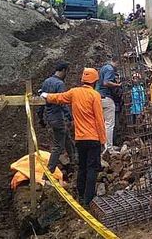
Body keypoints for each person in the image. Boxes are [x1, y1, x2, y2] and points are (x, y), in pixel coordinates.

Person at [40, 68, 105, 206]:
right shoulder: (95, 95)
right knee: (92, 168)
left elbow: (58, 98)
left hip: (80, 139)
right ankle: (89, 199)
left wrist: (45, 95)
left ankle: (81, 195)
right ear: (95, 81)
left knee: (82, 167)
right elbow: (99, 120)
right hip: (93, 138)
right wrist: (103, 140)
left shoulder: (74, 92)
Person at [38, 62, 76, 177]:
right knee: (58, 145)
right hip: (58, 117)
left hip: (50, 117)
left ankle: (74, 161)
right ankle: (49, 172)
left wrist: (41, 118)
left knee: (66, 138)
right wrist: (70, 117)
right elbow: (63, 103)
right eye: (66, 72)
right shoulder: (60, 84)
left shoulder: (46, 82)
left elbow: (42, 101)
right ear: (63, 70)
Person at [97, 57, 121, 151]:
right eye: (118, 64)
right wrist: (117, 85)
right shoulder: (110, 69)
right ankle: (109, 148)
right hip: (106, 98)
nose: (118, 67)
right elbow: (106, 82)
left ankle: (105, 146)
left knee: (103, 123)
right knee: (109, 124)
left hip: (99, 97)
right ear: (116, 61)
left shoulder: (104, 68)